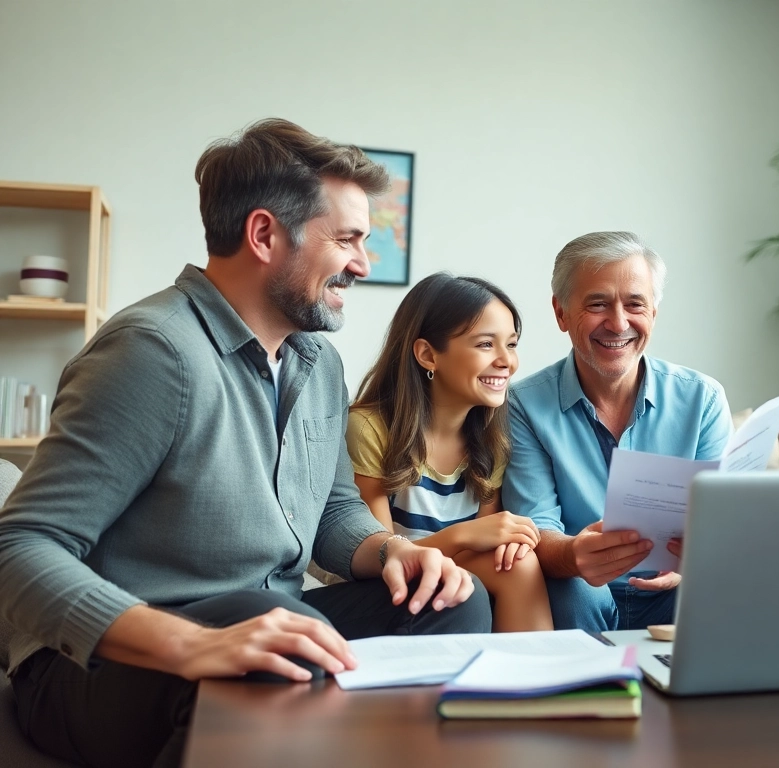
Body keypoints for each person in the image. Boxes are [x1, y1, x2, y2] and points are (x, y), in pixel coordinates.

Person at [0, 119, 490, 768]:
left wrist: (395, 550)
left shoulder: (318, 363)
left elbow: (333, 510)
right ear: (264, 235)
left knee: (453, 601)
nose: (362, 265)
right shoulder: (153, 353)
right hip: (99, 664)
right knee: (279, 633)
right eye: (346, 239)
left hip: (265, 622)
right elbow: (19, 547)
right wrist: (185, 643)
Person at [502, 231, 732, 633]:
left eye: (635, 304)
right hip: (581, 592)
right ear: (561, 313)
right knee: (572, 589)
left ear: (654, 312)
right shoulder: (522, 405)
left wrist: (694, 560)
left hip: (680, 592)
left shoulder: (703, 399)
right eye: (598, 304)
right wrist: (574, 554)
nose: (619, 323)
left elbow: (726, 520)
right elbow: (534, 527)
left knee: (725, 583)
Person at [347, 273, 553, 632]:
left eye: (512, 344)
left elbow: (484, 546)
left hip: (456, 582)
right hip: (385, 591)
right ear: (428, 355)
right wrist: (462, 535)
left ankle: (535, 669)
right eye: (486, 344)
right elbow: (380, 554)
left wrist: (510, 542)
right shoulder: (369, 429)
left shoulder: (492, 440)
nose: (507, 361)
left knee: (517, 563)